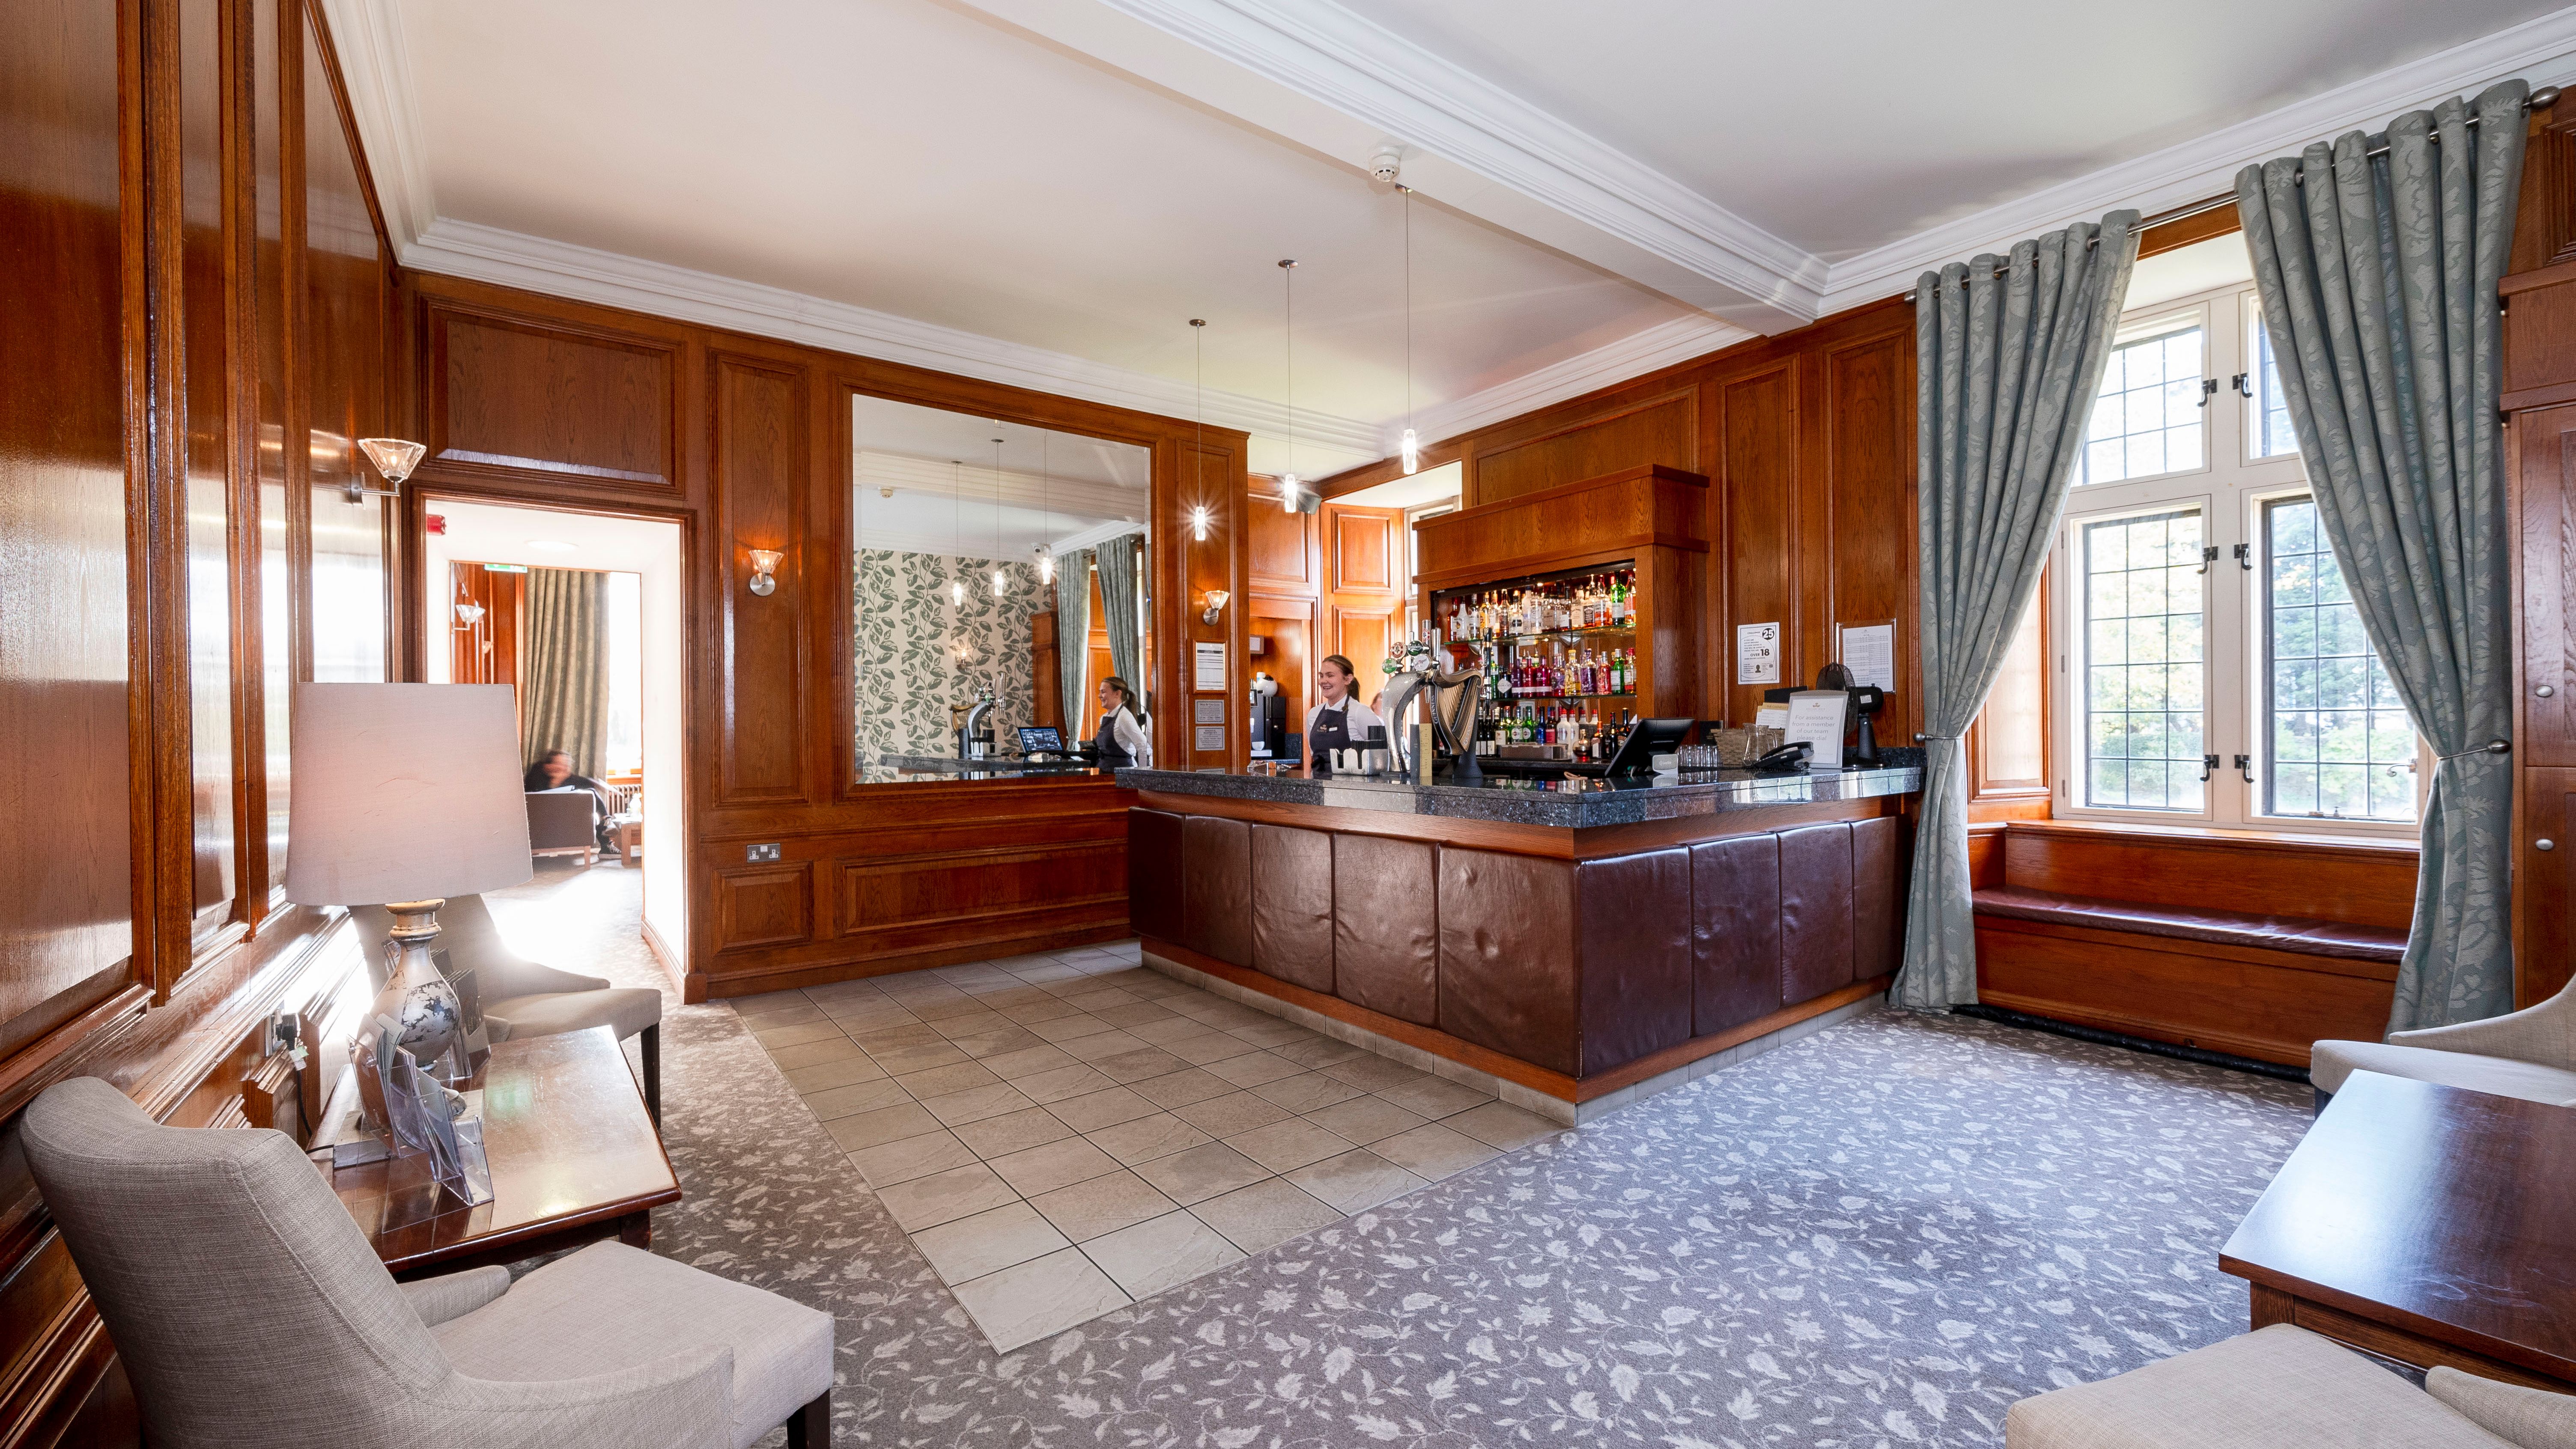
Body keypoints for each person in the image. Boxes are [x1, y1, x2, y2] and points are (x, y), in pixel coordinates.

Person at [1305, 655, 1384, 775]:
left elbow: (1383, 752)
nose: (1323, 681)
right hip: (1319, 786)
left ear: (1348, 679)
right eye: (1322, 676)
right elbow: (1315, 757)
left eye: (1330, 675)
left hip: (1352, 789)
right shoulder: (1314, 714)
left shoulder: (1361, 713)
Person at [524, 749, 619, 849]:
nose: (564, 768)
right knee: (590, 795)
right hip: (543, 818)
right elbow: (534, 797)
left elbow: (580, 781)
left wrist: (594, 782)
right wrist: (555, 782)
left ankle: (607, 828)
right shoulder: (537, 774)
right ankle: (607, 829)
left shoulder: (564, 775)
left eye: (567, 765)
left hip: (563, 817)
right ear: (549, 765)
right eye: (560, 764)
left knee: (591, 793)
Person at [1092, 677, 1152, 769]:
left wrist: (1143, 773)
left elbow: (1143, 746)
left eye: (1103, 692)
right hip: (1105, 771)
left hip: (1121, 773)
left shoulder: (1124, 717)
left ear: (1117, 694)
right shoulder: (1104, 718)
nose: (1100, 696)